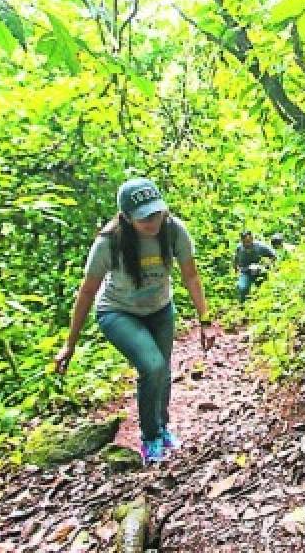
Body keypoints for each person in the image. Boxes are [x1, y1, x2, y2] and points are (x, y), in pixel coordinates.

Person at [54, 177, 213, 464]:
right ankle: (149, 436)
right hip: (118, 311)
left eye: (156, 213)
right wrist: (70, 344)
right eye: (143, 218)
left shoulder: (174, 231)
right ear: (126, 218)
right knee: (151, 365)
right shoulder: (109, 243)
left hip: (160, 308)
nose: (152, 222)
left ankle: (162, 428)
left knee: (162, 371)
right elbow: (88, 291)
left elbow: (191, 275)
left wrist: (205, 319)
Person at [233, 231, 276, 302]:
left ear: (252, 239)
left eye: (248, 241)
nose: (247, 244)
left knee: (263, 288)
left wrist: (267, 266)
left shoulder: (260, 246)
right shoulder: (239, 248)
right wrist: (236, 270)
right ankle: (243, 305)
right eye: (244, 242)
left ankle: (262, 302)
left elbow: (273, 255)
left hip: (259, 271)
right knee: (242, 288)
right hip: (245, 272)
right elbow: (235, 260)